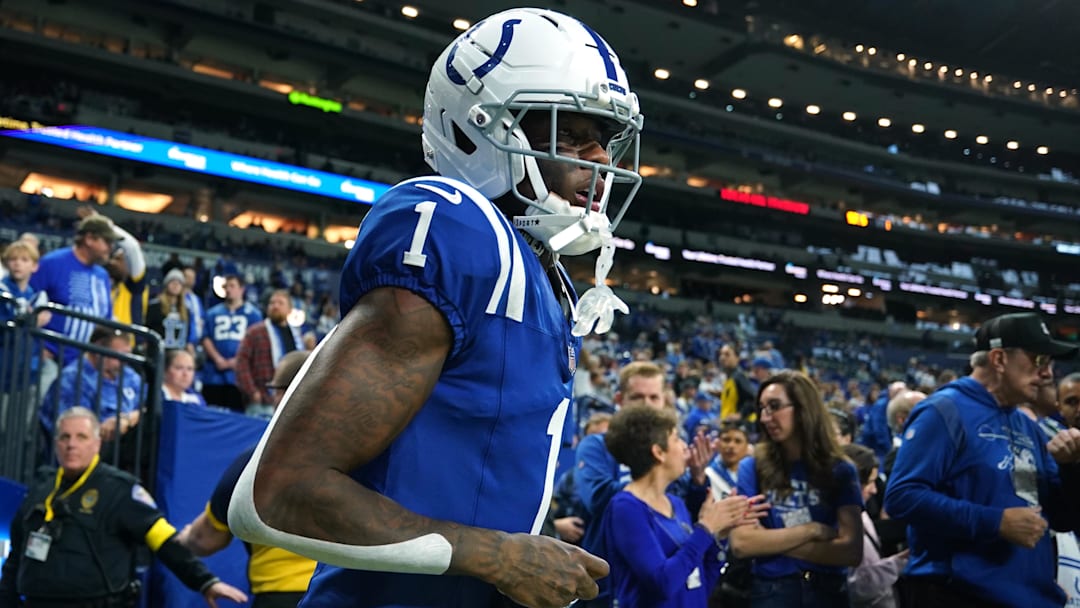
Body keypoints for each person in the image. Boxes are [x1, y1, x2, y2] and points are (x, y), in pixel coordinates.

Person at [228, 8, 645, 608]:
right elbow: (282, 490)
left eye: (605, 139)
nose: (600, 159)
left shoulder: (538, 270)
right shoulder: (456, 226)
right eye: (572, 133)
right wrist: (500, 556)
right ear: (480, 129)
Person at [884, 312, 1080, 608]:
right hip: (958, 594)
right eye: (1039, 360)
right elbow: (902, 496)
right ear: (999, 359)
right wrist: (995, 522)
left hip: (1028, 596)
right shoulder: (943, 411)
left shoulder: (1027, 426)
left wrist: (1071, 468)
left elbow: (1063, 517)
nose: (1048, 373)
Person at [0, 407, 248, 607]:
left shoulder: (120, 489)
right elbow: (16, 556)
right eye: (64, 437)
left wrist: (205, 581)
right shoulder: (40, 489)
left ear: (97, 444)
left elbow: (164, 541)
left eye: (81, 437)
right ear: (55, 444)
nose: (71, 444)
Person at [177, 351, 315, 608]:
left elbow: (206, 538)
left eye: (275, 391)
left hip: (281, 596)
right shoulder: (368, 457)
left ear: (284, 394)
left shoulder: (255, 463)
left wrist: (184, 539)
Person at [576, 362, 712, 607]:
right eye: (638, 397)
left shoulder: (671, 456)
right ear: (619, 399)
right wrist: (653, 476)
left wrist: (698, 479)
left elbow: (683, 514)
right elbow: (598, 499)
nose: (647, 405)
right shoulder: (597, 445)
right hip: (606, 583)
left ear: (664, 401)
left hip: (670, 580)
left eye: (654, 397)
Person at [602, 405, 766, 608]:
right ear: (659, 452)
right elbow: (663, 583)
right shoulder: (626, 508)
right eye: (677, 439)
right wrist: (706, 529)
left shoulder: (676, 504)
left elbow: (699, 586)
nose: (685, 447)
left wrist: (717, 537)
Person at [729, 370, 864, 608]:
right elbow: (742, 544)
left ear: (803, 409)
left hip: (828, 592)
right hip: (772, 591)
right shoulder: (752, 466)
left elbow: (851, 551)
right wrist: (811, 530)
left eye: (774, 406)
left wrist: (769, 541)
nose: (764, 417)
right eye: (761, 408)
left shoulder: (841, 470)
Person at [30, 215, 118, 389]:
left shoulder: (102, 275)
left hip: (83, 365)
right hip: (50, 359)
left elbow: (105, 320)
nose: (111, 248)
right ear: (89, 239)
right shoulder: (53, 263)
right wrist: (36, 349)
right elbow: (27, 301)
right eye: (107, 241)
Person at [40, 327, 143, 443]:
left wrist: (127, 420)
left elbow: (150, 407)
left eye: (128, 355)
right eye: (119, 356)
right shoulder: (72, 380)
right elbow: (74, 432)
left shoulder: (128, 375)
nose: (124, 362)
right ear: (98, 351)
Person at [843, 444, 907, 608]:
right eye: (870, 482)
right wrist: (899, 563)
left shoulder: (861, 514)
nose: (874, 490)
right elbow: (856, 589)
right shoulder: (840, 527)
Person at [234, 289, 312, 416]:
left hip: (290, 402)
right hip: (262, 402)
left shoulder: (296, 335)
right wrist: (252, 392)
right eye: (272, 303)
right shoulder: (255, 332)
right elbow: (241, 363)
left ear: (290, 309)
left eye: (280, 303)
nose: (275, 306)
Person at [200, 274, 263, 412]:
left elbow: (256, 343)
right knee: (211, 412)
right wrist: (218, 359)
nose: (228, 290)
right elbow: (205, 338)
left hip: (239, 377)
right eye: (225, 286)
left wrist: (238, 361)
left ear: (242, 289)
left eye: (232, 286)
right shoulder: (212, 313)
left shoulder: (254, 314)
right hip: (213, 375)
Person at [146, 268, 196, 353]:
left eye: (179, 283)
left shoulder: (186, 310)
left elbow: (187, 333)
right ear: (166, 285)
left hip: (178, 353)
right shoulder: (155, 306)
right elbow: (148, 328)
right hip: (159, 352)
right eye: (172, 282)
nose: (175, 285)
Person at [718, 345, 755, 423]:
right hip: (728, 425)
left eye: (727, 354)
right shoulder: (729, 378)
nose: (722, 357)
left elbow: (753, 399)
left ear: (737, 358)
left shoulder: (739, 376)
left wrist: (741, 414)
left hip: (738, 427)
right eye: (721, 354)